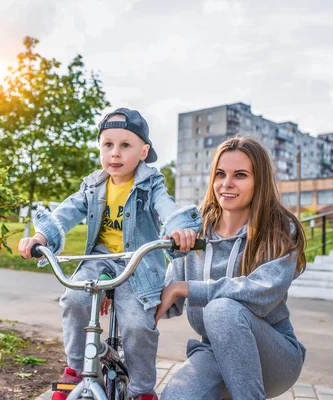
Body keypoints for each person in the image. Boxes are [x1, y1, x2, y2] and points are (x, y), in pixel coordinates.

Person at [19, 108, 201, 400]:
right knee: (74, 299)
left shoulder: (150, 184)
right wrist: (42, 236)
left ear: (143, 151)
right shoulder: (94, 184)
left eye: (125, 145)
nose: (115, 153)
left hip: (137, 263)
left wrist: (180, 229)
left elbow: (167, 208)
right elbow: (68, 210)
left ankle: (143, 390)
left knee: (138, 325)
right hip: (100, 259)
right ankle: (76, 370)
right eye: (108, 145)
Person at [154, 137, 307, 400]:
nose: (227, 184)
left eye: (240, 175)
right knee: (176, 396)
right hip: (213, 351)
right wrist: (122, 292)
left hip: (273, 358)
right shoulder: (195, 231)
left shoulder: (279, 230)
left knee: (221, 309)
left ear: (259, 181)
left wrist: (187, 288)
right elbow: (170, 299)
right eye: (220, 174)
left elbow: (260, 293)